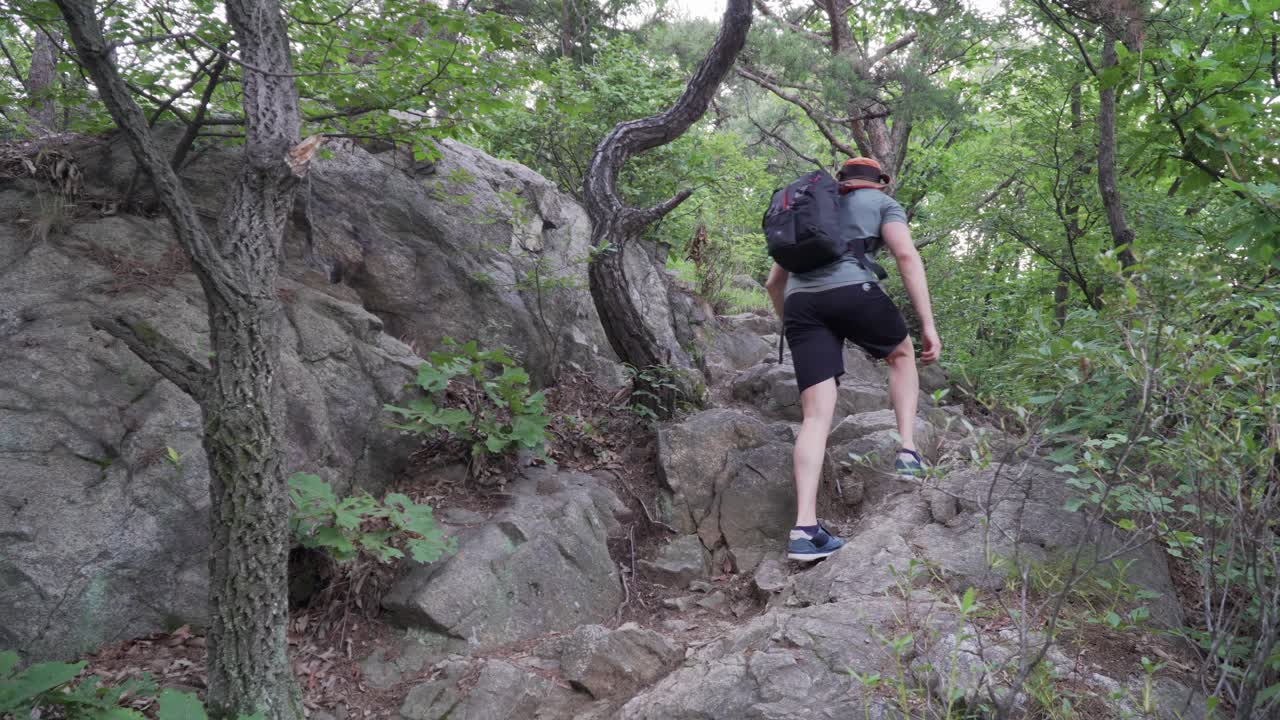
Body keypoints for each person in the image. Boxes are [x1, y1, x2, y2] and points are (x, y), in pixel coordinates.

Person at [764, 157, 941, 562]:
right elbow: (907, 257)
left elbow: (774, 282)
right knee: (900, 354)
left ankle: (805, 530)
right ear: (879, 183)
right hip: (853, 291)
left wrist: (795, 325)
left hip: (801, 307)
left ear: (840, 181)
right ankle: (908, 452)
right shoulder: (883, 204)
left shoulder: (812, 206)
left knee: (814, 417)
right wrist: (927, 324)